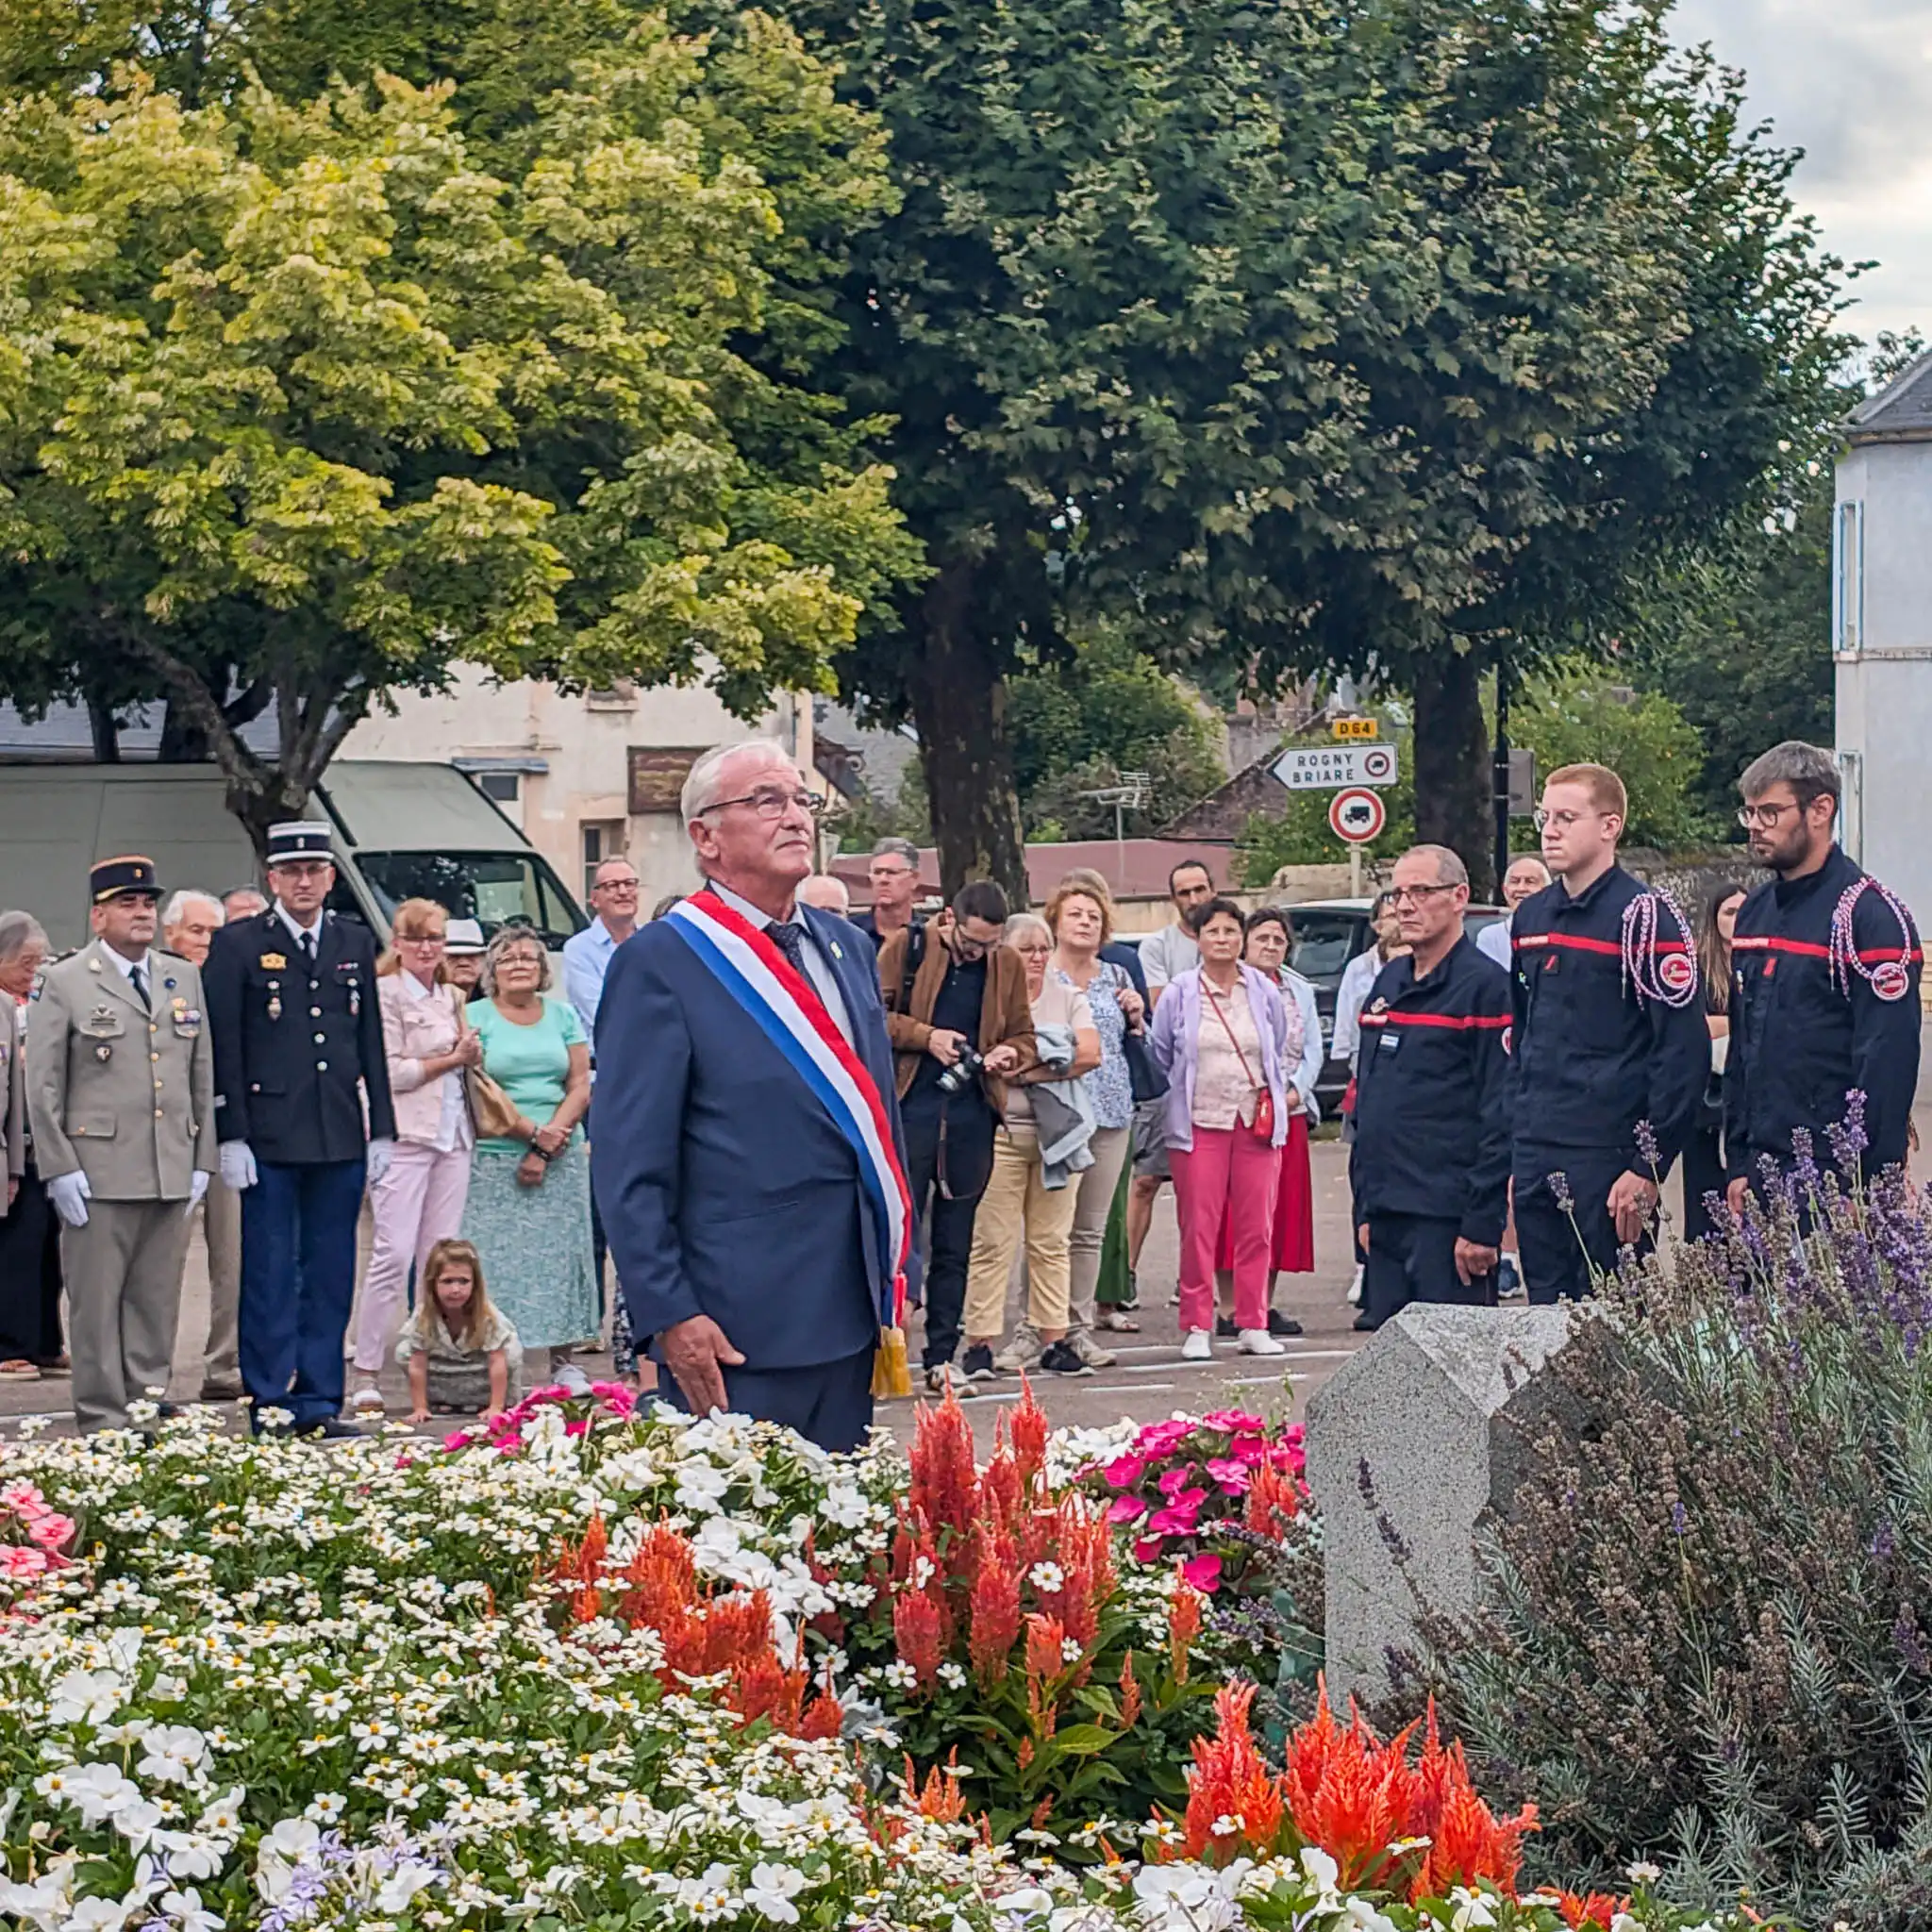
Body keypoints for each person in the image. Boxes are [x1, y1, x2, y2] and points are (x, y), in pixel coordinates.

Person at [591, 738, 912, 1452]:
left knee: (841, 1544)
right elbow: (627, 1162)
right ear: (705, 835)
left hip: (853, 1304)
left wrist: (899, 1265)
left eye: (803, 799)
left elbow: (877, 1119)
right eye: (767, 800)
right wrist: (668, 1310)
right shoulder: (662, 962)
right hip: (737, 1324)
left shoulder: (846, 946)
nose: (795, 816)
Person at [205, 822, 397, 1438]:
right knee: (267, 1275)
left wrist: (383, 1129)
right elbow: (224, 1042)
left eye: (315, 870)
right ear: (273, 880)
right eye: (292, 872)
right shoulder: (238, 945)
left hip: (337, 1129)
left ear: (331, 877)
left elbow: (369, 1039)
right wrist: (229, 1130)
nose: (305, 881)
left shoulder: (352, 939)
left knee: (329, 1273)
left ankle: (318, 1401)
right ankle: (269, 1401)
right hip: (269, 1134)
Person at [26, 857, 214, 1431]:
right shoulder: (66, 980)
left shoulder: (180, 976)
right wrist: (59, 1167)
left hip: (168, 1163)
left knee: (155, 1302)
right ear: (97, 915)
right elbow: (44, 1083)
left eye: (148, 904)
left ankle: (144, 1408)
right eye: (127, 904)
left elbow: (199, 1072)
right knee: (96, 1304)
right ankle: (103, 1417)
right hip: (98, 1168)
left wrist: (202, 1157)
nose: (141, 914)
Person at [1509, 765, 1707, 1302]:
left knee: (1619, 1325)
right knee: (1545, 1321)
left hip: (1608, 1157)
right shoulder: (1530, 917)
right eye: (1545, 817)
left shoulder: (1646, 919)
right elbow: (1523, 1039)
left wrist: (1647, 1165)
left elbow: (1681, 1052)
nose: (1550, 830)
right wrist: (1517, 1149)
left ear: (1609, 827)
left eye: (1567, 818)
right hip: (1537, 1149)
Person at [1725, 741, 1923, 1203]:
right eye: (1749, 813)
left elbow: (1887, 1063)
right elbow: (1742, 1050)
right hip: (1759, 1167)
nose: (1754, 826)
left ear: (1820, 810)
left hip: (1834, 1173)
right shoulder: (1753, 912)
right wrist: (1737, 1161)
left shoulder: (1869, 917)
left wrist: (1871, 1185)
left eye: (1770, 812)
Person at [879, 881, 1034, 1391]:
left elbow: (1023, 1035)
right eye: (971, 943)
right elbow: (869, 1018)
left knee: (955, 1239)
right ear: (949, 919)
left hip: (971, 1111)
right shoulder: (909, 947)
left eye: (990, 945)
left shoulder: (1005, 964)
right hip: (911, 1106)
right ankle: (880, 1349)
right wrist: (928, 1037)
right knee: (896, 1236)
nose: (979, 953)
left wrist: (1009, 1055)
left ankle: (941, 1356)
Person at [1350, 846, 1513, 1328]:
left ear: (1459, 896)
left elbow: (1499, 1113)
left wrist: (1483, 1226)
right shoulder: (1389, 982)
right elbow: (1370, 1104)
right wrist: (1365, 1207)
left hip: (1447, 1222)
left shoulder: (1486, 987)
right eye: (1398, 893)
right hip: (1386, 1214)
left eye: (1421, 891)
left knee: (1455, 1378)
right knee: (1389, 1379)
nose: (1405, 905)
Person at [1148, 896, 1296, 1361]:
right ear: (1198, 937)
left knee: (1257, 1226)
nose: (1223, 939)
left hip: (1255, 1120)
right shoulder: (1179, 991)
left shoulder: (1263, 989)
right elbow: (1161, 1051)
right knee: (1199, 1226)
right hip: (1199, 1121)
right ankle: (1197, 1322)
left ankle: (1253, 1321)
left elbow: (1278, 1044)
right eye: (1213, 931)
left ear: (1242, 938)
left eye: (1231, 931)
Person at [349, 898, 479, 1413]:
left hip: (453, 1134)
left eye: (436, 939)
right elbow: (391, 1073)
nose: (427, 948)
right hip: (405, 1133)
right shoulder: (384, 994)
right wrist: (453, 1057)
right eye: (417, 938)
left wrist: (464, 1058)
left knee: (438, 1259)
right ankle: (365, 1368)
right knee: (392, 1254)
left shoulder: (451, 994)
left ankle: (434, 1371)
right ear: (398, 944)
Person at [959, 914, 1101, 1380]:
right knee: (992, 1240)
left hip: (1058, 1136)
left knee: (1050, 1242)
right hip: (1000, 1132)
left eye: (1043, 948)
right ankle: (980, 1342)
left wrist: (1024, 1067)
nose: (1038, 957)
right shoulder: (989, 997)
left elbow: (1088, 1054)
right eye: (1027, 949)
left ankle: (1054, 1339)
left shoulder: (1068, 997)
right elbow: (983, 1057)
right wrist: (1047, 1054)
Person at [461, 926, 597, 1378]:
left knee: (562, 1257)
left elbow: (580, 1082)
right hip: (495, 1153)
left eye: (529, 959)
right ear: (491, 971)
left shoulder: (562, 1016)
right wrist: (530, 1137)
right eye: (507, 959)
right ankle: (494, 1362)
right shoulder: (473, 1015)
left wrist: (551, 1139)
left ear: (542, 970)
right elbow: (477, 1087)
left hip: (561, 1153)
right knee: (494, 1261)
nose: (519, 965)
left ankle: (564, 1362)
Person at [1043, 879, 1143, 1365]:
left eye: (1093, 916)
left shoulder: (1118, 977)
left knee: (1090, 1231)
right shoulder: (1040, 974)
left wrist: (1139, 1012)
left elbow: (1139, 1038)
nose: (1085, 922)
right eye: (1075, 914)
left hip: (1111, 1111)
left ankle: (1079, 1329)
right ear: (1056, 921)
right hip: (1057, 1113)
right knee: (1049, 1230)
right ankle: (1041, 1327)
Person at [1212, 907, 1323, 1338]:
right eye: (1262, 938)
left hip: (1286, 1114)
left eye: (1279, 940)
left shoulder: (1299, 990)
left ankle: (1262, 1303)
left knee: (1276, 1212)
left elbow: (1314, 1047)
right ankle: (1228, 1307)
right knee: (1233, 1211)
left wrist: (1295, 1091)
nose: (1271, 946)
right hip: (1237, 1114)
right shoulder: (1227, 986)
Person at [159, 891, 243, 1401]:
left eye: (215, 931)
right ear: (171, 932)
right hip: (169, 1136)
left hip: (224, 1130)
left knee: (231, 1258)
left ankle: (224, 1364)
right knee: (163, 1262)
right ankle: (153, 1374)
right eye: (197, 930)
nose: (206, 941)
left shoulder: (231, 977)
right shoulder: (152, 980)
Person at [560, 856, 641, 1368]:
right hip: (604, 1084)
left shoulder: (656, 937)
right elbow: (604, 1010)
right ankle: (588, 1321)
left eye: (629, 884)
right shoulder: (579, 949)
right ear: (595, 897)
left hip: (651, 1081)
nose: (621, 893)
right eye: (610, 886)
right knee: (594, 1210)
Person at [1127, 859, 1216, 1289]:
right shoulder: (1156, 947)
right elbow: (1164, 1008)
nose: (1194, 899)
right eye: (1184, 892)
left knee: (1202, 1194)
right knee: (1146, 1181)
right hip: (1167, 1084)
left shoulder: (1231, 937)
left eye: (1200, 889)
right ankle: (1123, 1282)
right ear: (1173, 899)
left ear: (1214, 891)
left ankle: (1194, 1284)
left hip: (1219, 1085)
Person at [0, 913, 61, 1384]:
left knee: (46, 1246)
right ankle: (10, 1344)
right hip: (11, 1145)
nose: (33, 971)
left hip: (41, 1144)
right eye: (26, 962)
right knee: (15, 1249)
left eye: (40, 962)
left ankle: (44, 1339)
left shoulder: (41, 999)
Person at [398, 1237, 522, 1424]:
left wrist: (496, 1407)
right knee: (403, 1352)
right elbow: (417, 1364)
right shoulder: (423, 1316)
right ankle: (438, 1400)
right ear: (433, 1283)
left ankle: (493, 1401)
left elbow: (497, 1362)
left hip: (480, 1374)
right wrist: (420, 1408)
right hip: (444, 1373)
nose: (456, 1289)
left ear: (475, 1284)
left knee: (510, 1353)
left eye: (463, 1281)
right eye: (447, 1281)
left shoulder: (487, 1315)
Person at [1682, 879, 1746, 1241]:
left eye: (1743, 911)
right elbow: (1692, 1027)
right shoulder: (1698, 967)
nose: (1737, 919)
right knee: (1705, 1202)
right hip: (1707, 1101)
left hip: (1749, 1097)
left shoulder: (1758, 961)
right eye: (1730, 911)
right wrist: (1735, 1025)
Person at [1476, 856, 1552, 968]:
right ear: (1505, 890)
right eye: (1514, 881)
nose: (1521, 888)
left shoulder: (1558, 934)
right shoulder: (1490, 936)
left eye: (1530, 882)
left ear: (1548, 890)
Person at [854, 838, 923, 951]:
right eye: (877, 872)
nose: (883, 879)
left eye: (892, 872)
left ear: (914, 879)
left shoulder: (929, 935)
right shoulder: (850, 932)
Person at [443, 918, 487, 995]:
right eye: (454, 956)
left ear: (484, 960)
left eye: (471, 955)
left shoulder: (498, 1000)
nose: (463, 963)